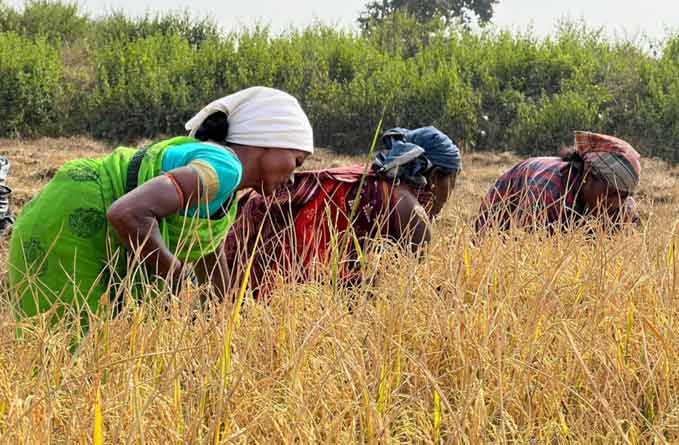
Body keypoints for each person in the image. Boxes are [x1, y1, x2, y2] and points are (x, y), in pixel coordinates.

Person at [9, 86, 314, 322]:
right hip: (73, 223)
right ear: (270, 139)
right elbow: (127, 214)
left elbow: (209, 255)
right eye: (297, 161)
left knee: (96, 357)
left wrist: (229, 321)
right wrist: (177, 276)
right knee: (72, 356)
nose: (293, 177)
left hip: (72, 216)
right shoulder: (224, 169)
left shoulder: (225, 193)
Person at [225, 126, 461, 298]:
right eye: (453, 181)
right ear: (436, 177)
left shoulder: (361, 178)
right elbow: (399, 307)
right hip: (290, 294)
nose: (451, 193)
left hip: (240, 260)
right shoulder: (411, 213)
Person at [475, 131, 641, 234]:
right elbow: (532, 255)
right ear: (588, 175)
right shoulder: (547, 195)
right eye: (611, 194)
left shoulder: (622, 208)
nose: (615, 203)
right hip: (507, 202)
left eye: (624, 196)